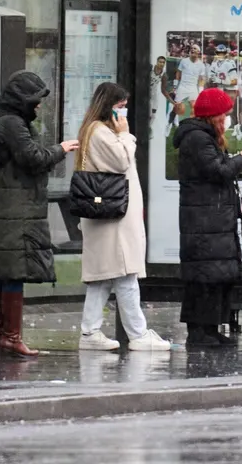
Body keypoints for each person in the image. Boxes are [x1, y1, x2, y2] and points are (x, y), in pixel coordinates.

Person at [0, 71, 79, 356]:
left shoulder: (4, 120)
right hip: (15, 208)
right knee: (14, 272)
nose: (38, 106)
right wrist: (60, 149)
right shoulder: (12, 123)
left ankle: (5, 335)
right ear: (22, 99)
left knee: (9, 273)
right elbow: (33, 158)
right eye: (35, 101)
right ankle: (10, 337)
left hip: (10, 206)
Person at [75, 82, 170, 352]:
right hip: (113, 217)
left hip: (109, 215)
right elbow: (120, 161)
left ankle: (89, 331)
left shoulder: (93, 130)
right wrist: (126, 135)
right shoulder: (101, 133)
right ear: (108, 106)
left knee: (105, 275)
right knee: (125, 273)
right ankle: (138, 334)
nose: (123, 112)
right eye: (119, 106)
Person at [173, 88, 242, 348]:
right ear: (214, 115)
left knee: (215, 275)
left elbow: (216, 173)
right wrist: (241, 159)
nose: (228, 118)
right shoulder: (198, 139)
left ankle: (209, 329)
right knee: (205, 277)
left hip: (212, 218)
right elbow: (216, 171)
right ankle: (200, 332)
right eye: (225, 114)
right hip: (204, 221)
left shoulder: (204, 137)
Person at [168, 44, 206, 136]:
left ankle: (191, 127)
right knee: (176, 108)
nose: (192, 49)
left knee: (195, 108)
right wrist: (175, 86)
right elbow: (178, 73)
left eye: (195, 49)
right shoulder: (184, 61)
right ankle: (168, 125)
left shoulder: (201, 65)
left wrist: (200, 90)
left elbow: (201, 79)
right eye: (192, 48)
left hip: (193, 88)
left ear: (198, 52)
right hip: (182, 87)